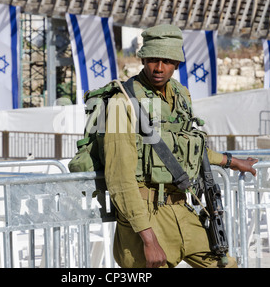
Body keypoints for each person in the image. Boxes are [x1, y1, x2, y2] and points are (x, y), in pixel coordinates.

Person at [103, 24, 258, 268]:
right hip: (144, 216)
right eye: (153, 59)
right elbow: (119, 178)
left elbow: (186, 148)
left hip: (180, 206)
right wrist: (148, 238)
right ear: (143, 59)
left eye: (167, 60)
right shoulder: (122, 102)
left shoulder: (180, 94)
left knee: (226, 265)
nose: (159, 68)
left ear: (177, 63)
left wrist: (231, 161)